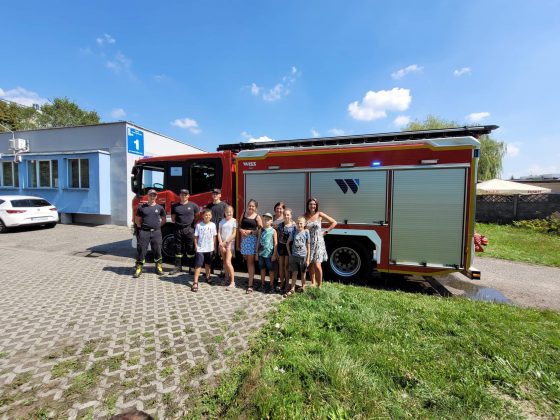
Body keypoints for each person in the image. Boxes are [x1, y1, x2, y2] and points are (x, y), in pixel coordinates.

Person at [305, 197, 337, 288]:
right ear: (308, 205)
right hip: (309, 242)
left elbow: (334, 222)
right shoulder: (305, 216)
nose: (312, 206)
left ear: (316, 205)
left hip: (318, 242)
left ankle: (319, 285)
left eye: (314, 204)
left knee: (317, 264)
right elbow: (299, 224)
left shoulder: (320, 214)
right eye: (311, 204)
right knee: (310, 264)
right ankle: (313, 283)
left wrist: (325, 231)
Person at [133, 189, 166, 278]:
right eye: (151, 195)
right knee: (141, 250)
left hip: (156, 232)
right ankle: (139, 268)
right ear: (148, 196)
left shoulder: (160, 208)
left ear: (156, 197)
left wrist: (157, 226)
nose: (152, 197)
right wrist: (142, 228)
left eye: (154, 195)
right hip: (144, 232)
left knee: (157, 250)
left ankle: (158, 267)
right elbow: (137, 220)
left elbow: (163, 220)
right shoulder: (142, 207)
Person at [168, 189, 200, 275]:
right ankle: (178, 267)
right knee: (178, 249)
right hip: (178, 230)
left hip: (189, 230)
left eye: (186, 194)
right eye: (182, 194)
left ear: (188, 196)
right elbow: (173, 218)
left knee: (190, 249)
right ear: (179, 195)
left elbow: (197, 216)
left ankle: (192, 267)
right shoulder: (175, 206)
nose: (184, 196)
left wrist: (191, 226)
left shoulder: (193, 205)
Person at [238, 199, 262, 294]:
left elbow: (260, 229)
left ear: (256, 208)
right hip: (244, 240)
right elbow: (239, 225)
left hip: (252, 241)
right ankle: (250, 279)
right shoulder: (243, 214)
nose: (251, 207)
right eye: (250, 205)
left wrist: (251, 232)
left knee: (250, 263)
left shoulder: (257, 217)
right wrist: (241, 230)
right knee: (246, 260)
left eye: (253, 206)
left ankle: (250, 285)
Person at [192, 209, 217, 292]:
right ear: (202, 216)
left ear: (211, 216)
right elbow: (195, 237)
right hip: (200, 249)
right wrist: (196, 246)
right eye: (206, 215)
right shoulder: (199, 225)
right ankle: (195, 282)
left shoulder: (213, 225)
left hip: (210, 248)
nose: (207, 216)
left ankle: (207, 277)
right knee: (198, 265)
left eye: (209, 215)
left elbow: (214, 236)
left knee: (208, 264)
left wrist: (214, 247)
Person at [285, 216, 310, 297]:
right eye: (298, 223)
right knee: (294, 273)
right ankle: (292, 289)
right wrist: (290, 254)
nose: (299, 225)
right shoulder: (294, 232)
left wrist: (308, 259)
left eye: (301, 223)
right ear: (296, 224)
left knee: (303, 273)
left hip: (303, 256)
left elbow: (308, 246)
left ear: (304, 224)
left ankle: (303, 287)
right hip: (294, 256)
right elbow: (287, 243)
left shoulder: (306, 232)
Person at [206, 188, 228, 276]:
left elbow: (228, 218)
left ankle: (223, 269)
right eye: (213, 194)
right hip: (211, 231)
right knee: (211, 249)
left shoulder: (224, 205)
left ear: (220, 195)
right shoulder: (209, 206)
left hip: (221, 231)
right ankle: (210, 269)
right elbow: (206, 218)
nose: (215, 195)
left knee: (222, 250)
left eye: (217, 194)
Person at [275, 208, 296, 292]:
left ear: (291, 216)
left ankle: (287, 283)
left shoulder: (294, 226)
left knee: (286, 266)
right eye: (285, 215)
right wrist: (276, 250)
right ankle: (282, 283)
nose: (286, 216)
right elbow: (278, 237)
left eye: (288, 215)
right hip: (281, 247)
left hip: (288, 248)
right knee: (281, 265)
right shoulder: (280, 225)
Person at [256, 212, 277, 291]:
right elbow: (258, 241)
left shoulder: (273, 231)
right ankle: (262, 284)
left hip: (269, 254)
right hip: (261, 254)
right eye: (265, 219)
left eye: (268, 220)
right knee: (262, 269)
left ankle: (271, 285)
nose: (266, 221)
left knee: (271, 270)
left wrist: (274, 254)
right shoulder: (261, 230)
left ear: (271, 221)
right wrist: (256, 253)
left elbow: (275, 243)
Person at [218, 205, 237, 290]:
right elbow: (219, 232)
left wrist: (225, 242)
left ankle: (232, 282)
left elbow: (234, 234)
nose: (229, 213)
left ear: (233, 212)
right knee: (224, 262)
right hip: (222, 244)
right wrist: (220, 243)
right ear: (224, 213)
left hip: (230, 243)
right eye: (227, 212)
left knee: (228, 262)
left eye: (230, 212)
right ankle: (226, 278)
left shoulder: (234, 221)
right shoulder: (221, 221)